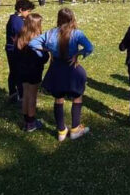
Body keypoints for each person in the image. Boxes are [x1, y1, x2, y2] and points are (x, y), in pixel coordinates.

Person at [30, 8, 94, 142]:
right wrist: (78, 54)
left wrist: (48, 50)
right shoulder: (77, 34)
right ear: (72, 19)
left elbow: (32, 43)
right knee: (77, 96)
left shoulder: (50, 33)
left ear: (58, 19)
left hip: (56, 69)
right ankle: (75, 129)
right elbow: (89, 48)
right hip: (72, 69)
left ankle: (61, 131)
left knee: (58, 98)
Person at [10, 13, 49, 132]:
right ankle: (31, 123)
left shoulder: (19, 37)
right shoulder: (36, 41)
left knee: (25, 95)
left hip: (22, 71)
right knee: (32, 96)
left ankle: (26, 119)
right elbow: (42, 59)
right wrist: (46, 52)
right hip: (34, 71)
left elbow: (15, 55)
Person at [5, 0, 35, 104]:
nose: (29, 13)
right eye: (28, 11)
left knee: (14, 72)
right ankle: (20, 96)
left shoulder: (18, 18)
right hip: (15, 51)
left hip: (15, 49)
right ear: (21, 9)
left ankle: (13, 93)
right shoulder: (16, 21)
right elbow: (24, 35)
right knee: (18, 73)